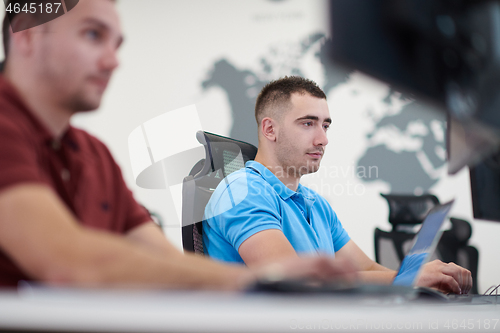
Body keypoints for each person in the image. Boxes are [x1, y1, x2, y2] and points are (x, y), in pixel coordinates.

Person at [0, 0, 358, 289]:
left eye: (116, 44)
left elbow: (166, 263)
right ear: (27, 36)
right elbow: (66, 262)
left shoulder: (94, 155)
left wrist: (255, 281)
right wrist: (256, 281)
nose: (112, 61)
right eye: (93, 35)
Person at [203, 76, 473, 294]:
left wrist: (419, 278)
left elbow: (366, 269)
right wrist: (404, 281)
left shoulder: (315, 204)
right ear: (270, 130)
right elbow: (294, 282)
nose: (323, 139)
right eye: (308, 123)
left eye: (325, 126)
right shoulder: (242, 191)